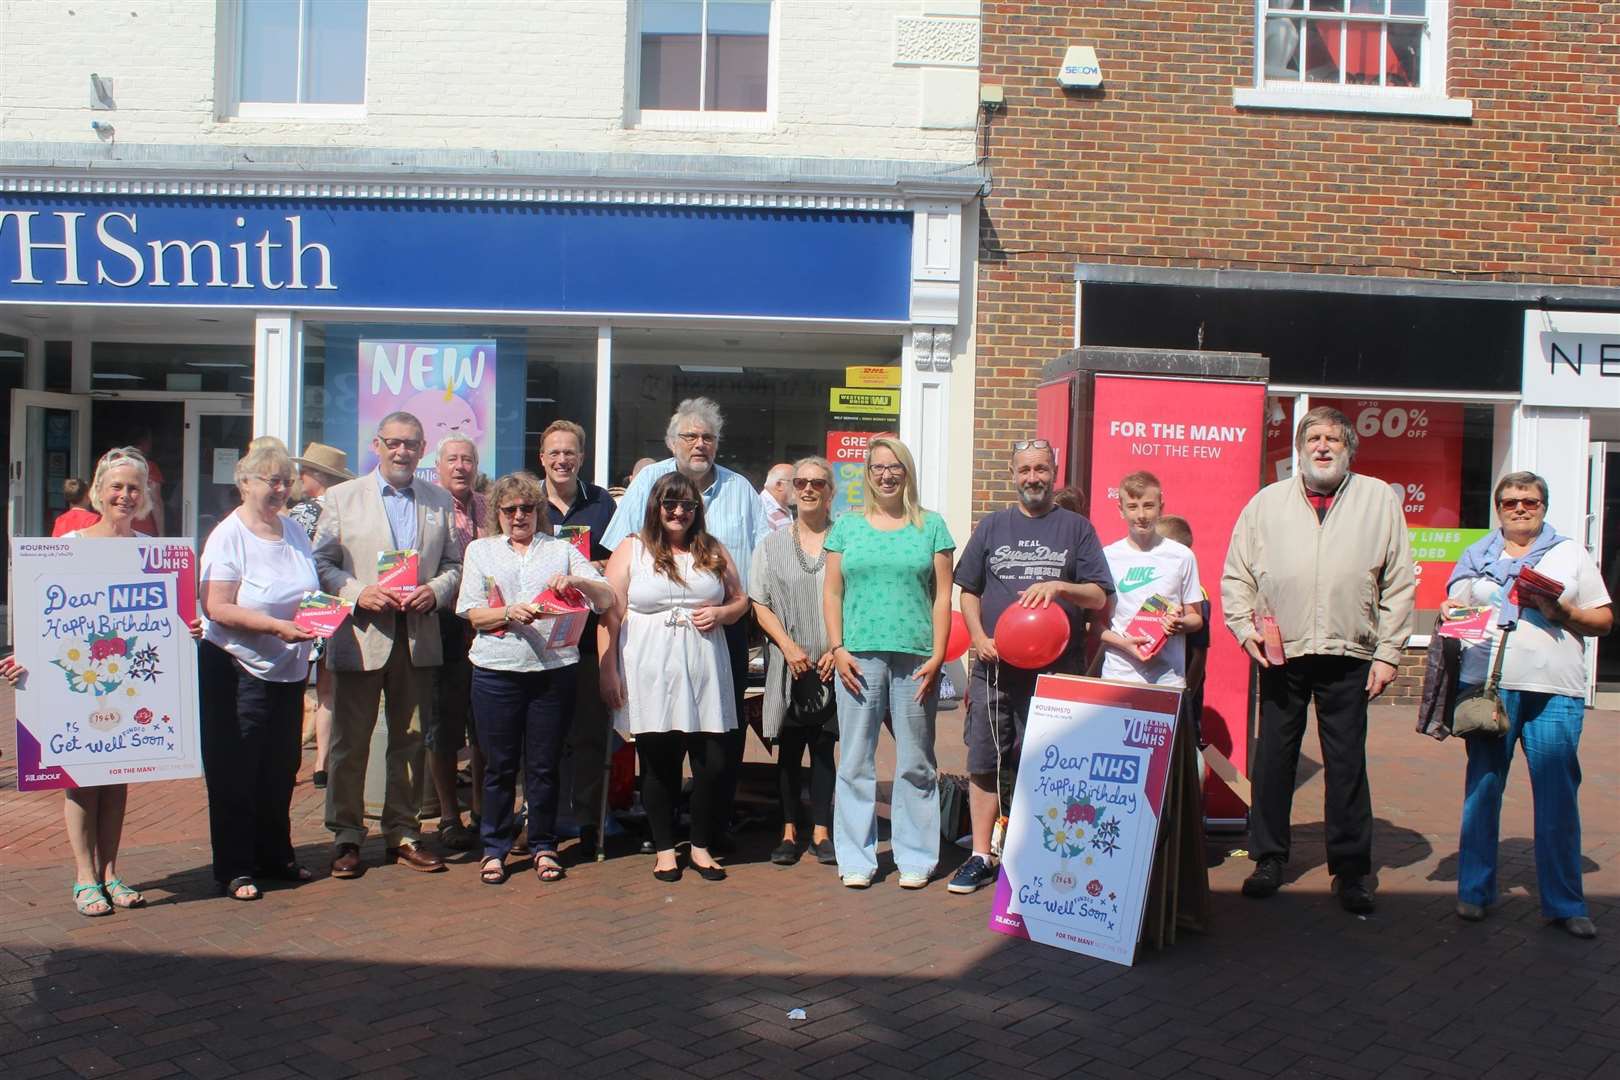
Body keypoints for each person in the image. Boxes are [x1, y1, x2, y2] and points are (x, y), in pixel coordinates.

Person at [1222, 405, 1414, 914]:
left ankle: (1351, 872)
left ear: (1349, 449)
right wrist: (1245, 631)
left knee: (1347, 764)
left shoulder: (1377, 500)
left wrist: (1389, 653)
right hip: (1280, 654)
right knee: (1274, 760)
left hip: (1349, 652)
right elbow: (1236, 574)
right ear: (1300, 449)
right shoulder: (1266, 503)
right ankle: (1268, 858)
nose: (1323, 446)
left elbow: (1398, 581)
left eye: (1333, 439)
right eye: (1313, 439)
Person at [2, 447, 201, 916]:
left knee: (118, 779)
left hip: (127, 686)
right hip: (79, 683)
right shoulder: (72, 546)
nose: (126, 496)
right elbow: (40, 617)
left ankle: (111, 872)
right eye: (117, 487)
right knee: (79, 779)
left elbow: (167, 620)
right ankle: (84, 877)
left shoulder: (154, 554)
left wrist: (188, 629)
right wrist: (22, 658)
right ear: (99, 491)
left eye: (135, 488)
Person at [1443, 472, 1609, 939]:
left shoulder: (1570, 553)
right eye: (1511, 501)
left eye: (1530, 501)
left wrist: (1565, 614)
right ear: (1497, 508)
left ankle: (1564, 903)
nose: (1520, 508)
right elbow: (1457, 620)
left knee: (1558, 798)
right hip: (1490, 690)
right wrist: (1453, 614)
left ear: (1543, 506)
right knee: (1483, 791)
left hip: (1555, 691)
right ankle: (1474, 892)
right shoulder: (1477, 557)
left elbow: (1604, 620)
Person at [947, 440, 1113, 895]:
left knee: (1054, 761)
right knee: (983, 759)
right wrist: (979, 637)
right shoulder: (993, 526)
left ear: (1054, 472)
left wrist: (1061, 586)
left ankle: (1044, 856)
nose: (1033, 477)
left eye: (1041, 469)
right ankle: (981, 855)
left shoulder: (1076, 529)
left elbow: (1099, 597)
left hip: (1058, 670)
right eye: (1025, 470)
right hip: (995, 666)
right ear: (1013, 474)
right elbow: (968, 589)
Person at [602, 397, 766, 850]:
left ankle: (711, 828)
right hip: (651, 638)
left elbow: (762, 559)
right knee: (660, 737)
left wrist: (747, 614)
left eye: (708, 438)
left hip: (723, 631)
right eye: (690, 436)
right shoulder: (648, 484)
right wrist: (609, 657)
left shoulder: (741, 489)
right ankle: (663, 832)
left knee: (719, 739)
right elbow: (617, 556)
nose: (700, 445)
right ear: (673, 442)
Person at [313, 412, 463, 879]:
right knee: (349, 742)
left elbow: (457, 564)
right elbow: (320, 562)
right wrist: (358, 591)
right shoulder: (341, 498)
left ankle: (403, 831)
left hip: (417, 635)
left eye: (411, 445)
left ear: (422, 450)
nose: (402, 452)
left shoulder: (438, 500)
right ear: (377, 445)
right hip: (361, 633)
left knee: (412, 738)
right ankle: (347, 836)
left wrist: (436, 591)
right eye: (394, 443)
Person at [456, 471, 615, 886]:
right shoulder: (480, 551)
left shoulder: (559, 549)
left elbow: (606, 597)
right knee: (498, 766)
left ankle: (543, 845)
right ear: (497, 513)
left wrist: (577, 579)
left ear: (538, 511)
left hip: (551, 671)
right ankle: (495, 847)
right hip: (495, 671)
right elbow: (472, 612)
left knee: (544, 766)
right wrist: (509, 612)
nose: (519, 516)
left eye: (527, 508)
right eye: (509, 509)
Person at [600, 472, 750, 882]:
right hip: (650, 666)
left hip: (704, 667)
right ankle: (665, 849)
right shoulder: (633, 548)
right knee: (659, 763)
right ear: (656, 507)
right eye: (670, 504)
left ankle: (699, 847)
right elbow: (609, 613)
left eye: (687, 505)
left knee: (712, 763)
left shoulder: (712, 548)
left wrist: (722, 613)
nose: (679, 512)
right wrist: (608, 667)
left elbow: (740, 600)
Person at [823, 436, 954, 890]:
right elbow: (833, 592)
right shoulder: (846, 527)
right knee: (856, 758)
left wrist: (939, 653)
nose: (886, 474)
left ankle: (916, 855)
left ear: (907, 472)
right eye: (878, 467)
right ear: (868, 473)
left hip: (916, 656)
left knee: (916, 759)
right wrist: (837, 647)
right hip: (858, 655)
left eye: (895, 466)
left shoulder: (932, 526)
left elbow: (942, 598)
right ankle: (857, 859)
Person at [197, 439, 319, 901]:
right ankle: (235, 866)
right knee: (236, 768)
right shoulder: (228, 535)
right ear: (245, 483)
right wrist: (273, 626)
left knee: (280, 766)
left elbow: (305, 590)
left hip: (288, 667)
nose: (281, 489)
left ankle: (275, 856)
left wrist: (320, 616)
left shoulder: (292, 531)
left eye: (287, 481)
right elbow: (217, 606)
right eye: (272, 481)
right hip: (237, 667)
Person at [750, 457, 841, 867]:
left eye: (816, 483)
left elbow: (855, 600)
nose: (807, 489)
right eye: (799, 482)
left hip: (832, 662)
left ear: (829, 492)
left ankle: (821, 830)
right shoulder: (771, 545)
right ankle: (788, 830)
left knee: (824, 749)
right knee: (788, 750)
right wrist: (787, 647)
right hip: (789, 662)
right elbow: (759, 602)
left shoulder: (846, 541)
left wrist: (838, 650)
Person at [536, 419, 619, 858]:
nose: (562, 460)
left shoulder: (602, 504)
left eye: (570, 453)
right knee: (545, 736)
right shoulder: (527, 503)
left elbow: (618, 563)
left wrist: (596, 574)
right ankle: (542, 820)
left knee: (589, 734)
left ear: (582, 458)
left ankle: (588, 818)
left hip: (587, 639)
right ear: (542, 458)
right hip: (538, 638)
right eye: (555, 453)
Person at [426, 434, 486, 853]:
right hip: (444, 628)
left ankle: (483, 810)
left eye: (467, 459)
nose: (461, 466)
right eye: (453, 459)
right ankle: (449, 815)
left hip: (486, 629)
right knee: (443, 728)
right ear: (439, 465)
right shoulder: (427, 507)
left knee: (485, 727)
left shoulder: (489, 505)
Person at [287, 442, 354, 790]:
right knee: (328, 688)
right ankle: (322, 762)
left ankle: (292, 759)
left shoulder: (304, 513)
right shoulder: (346, 509)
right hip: (337, 602)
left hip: (307, 604)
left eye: (304, 472)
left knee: (297, 680)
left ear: (316, 476)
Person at [1098, 472, 1204, 687]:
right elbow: (1094, 624)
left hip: (1167, 678)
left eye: (1148, 505)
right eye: (1132, 507)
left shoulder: (1182, 556)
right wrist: (1123, 644)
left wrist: (1179, 624)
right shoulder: (1106, 556)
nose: (1141, 515)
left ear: (1160, 507)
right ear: (1121, 510)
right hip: (1118, 675)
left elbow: (1196, 618)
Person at [129, 428, 166, 536]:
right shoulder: (149, 467)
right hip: (143, 531)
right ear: (144, 442)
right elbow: (156, 502)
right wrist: (162, 535)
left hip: (115, 530)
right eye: (150, 441)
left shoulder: (111, 464)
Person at [759, 463, 794, 532]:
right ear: (779, 485)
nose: (800, 489)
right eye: (796, 483)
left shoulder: (780, 508)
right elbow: (767, 542)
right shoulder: (764, 511)